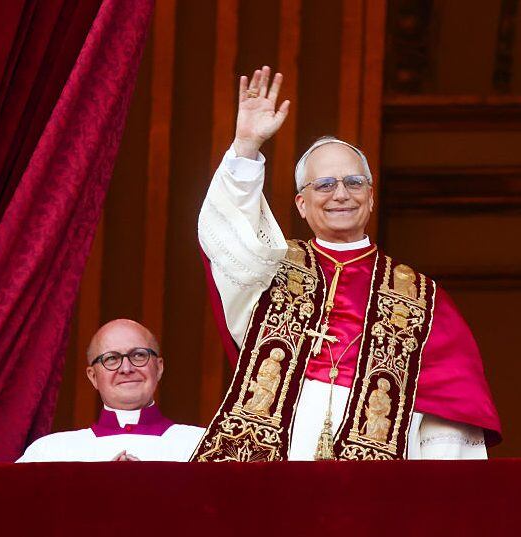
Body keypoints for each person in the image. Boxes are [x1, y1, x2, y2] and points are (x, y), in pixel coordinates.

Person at [194, 66, 500, 461]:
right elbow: (227, 240)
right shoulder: (270, 267)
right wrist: (246, 146)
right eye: (324, 185)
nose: (341, 194)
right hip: (271, 468)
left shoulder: (422, 298)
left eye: (353, 183)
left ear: (371, 197)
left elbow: (451, 412)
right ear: (302, 204)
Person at [16, 319, 204, 462]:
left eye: (138, 355)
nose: (126, 368)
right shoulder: (50, 452)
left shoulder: (204, 445)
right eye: (111, 359)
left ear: (159, 367)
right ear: (93, 376)